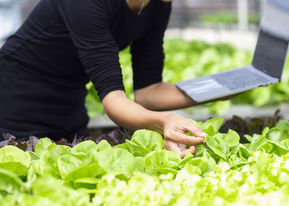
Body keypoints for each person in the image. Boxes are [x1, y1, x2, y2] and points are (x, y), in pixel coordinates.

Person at [0, 0, 207, 158]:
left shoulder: (158, 4)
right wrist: (164, 121)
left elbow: (149, 92)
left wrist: (220, 89)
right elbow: (114, 100)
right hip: (16, 104)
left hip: (71, 107)